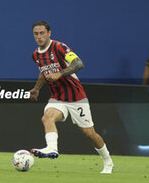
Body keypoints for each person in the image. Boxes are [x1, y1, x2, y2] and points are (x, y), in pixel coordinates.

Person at [29, 20, 114, 174]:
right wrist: (36, 88)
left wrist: (60, 73)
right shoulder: (36, 55)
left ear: (49, 33)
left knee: (89, 133)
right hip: (57, 98)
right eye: (36, 33)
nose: (39, 36)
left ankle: (108, 161)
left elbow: (78, 63)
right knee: (47, 117)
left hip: (76, 98)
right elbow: (44, 72)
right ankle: (52, 148)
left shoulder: (60, 47)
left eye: (42, 33)